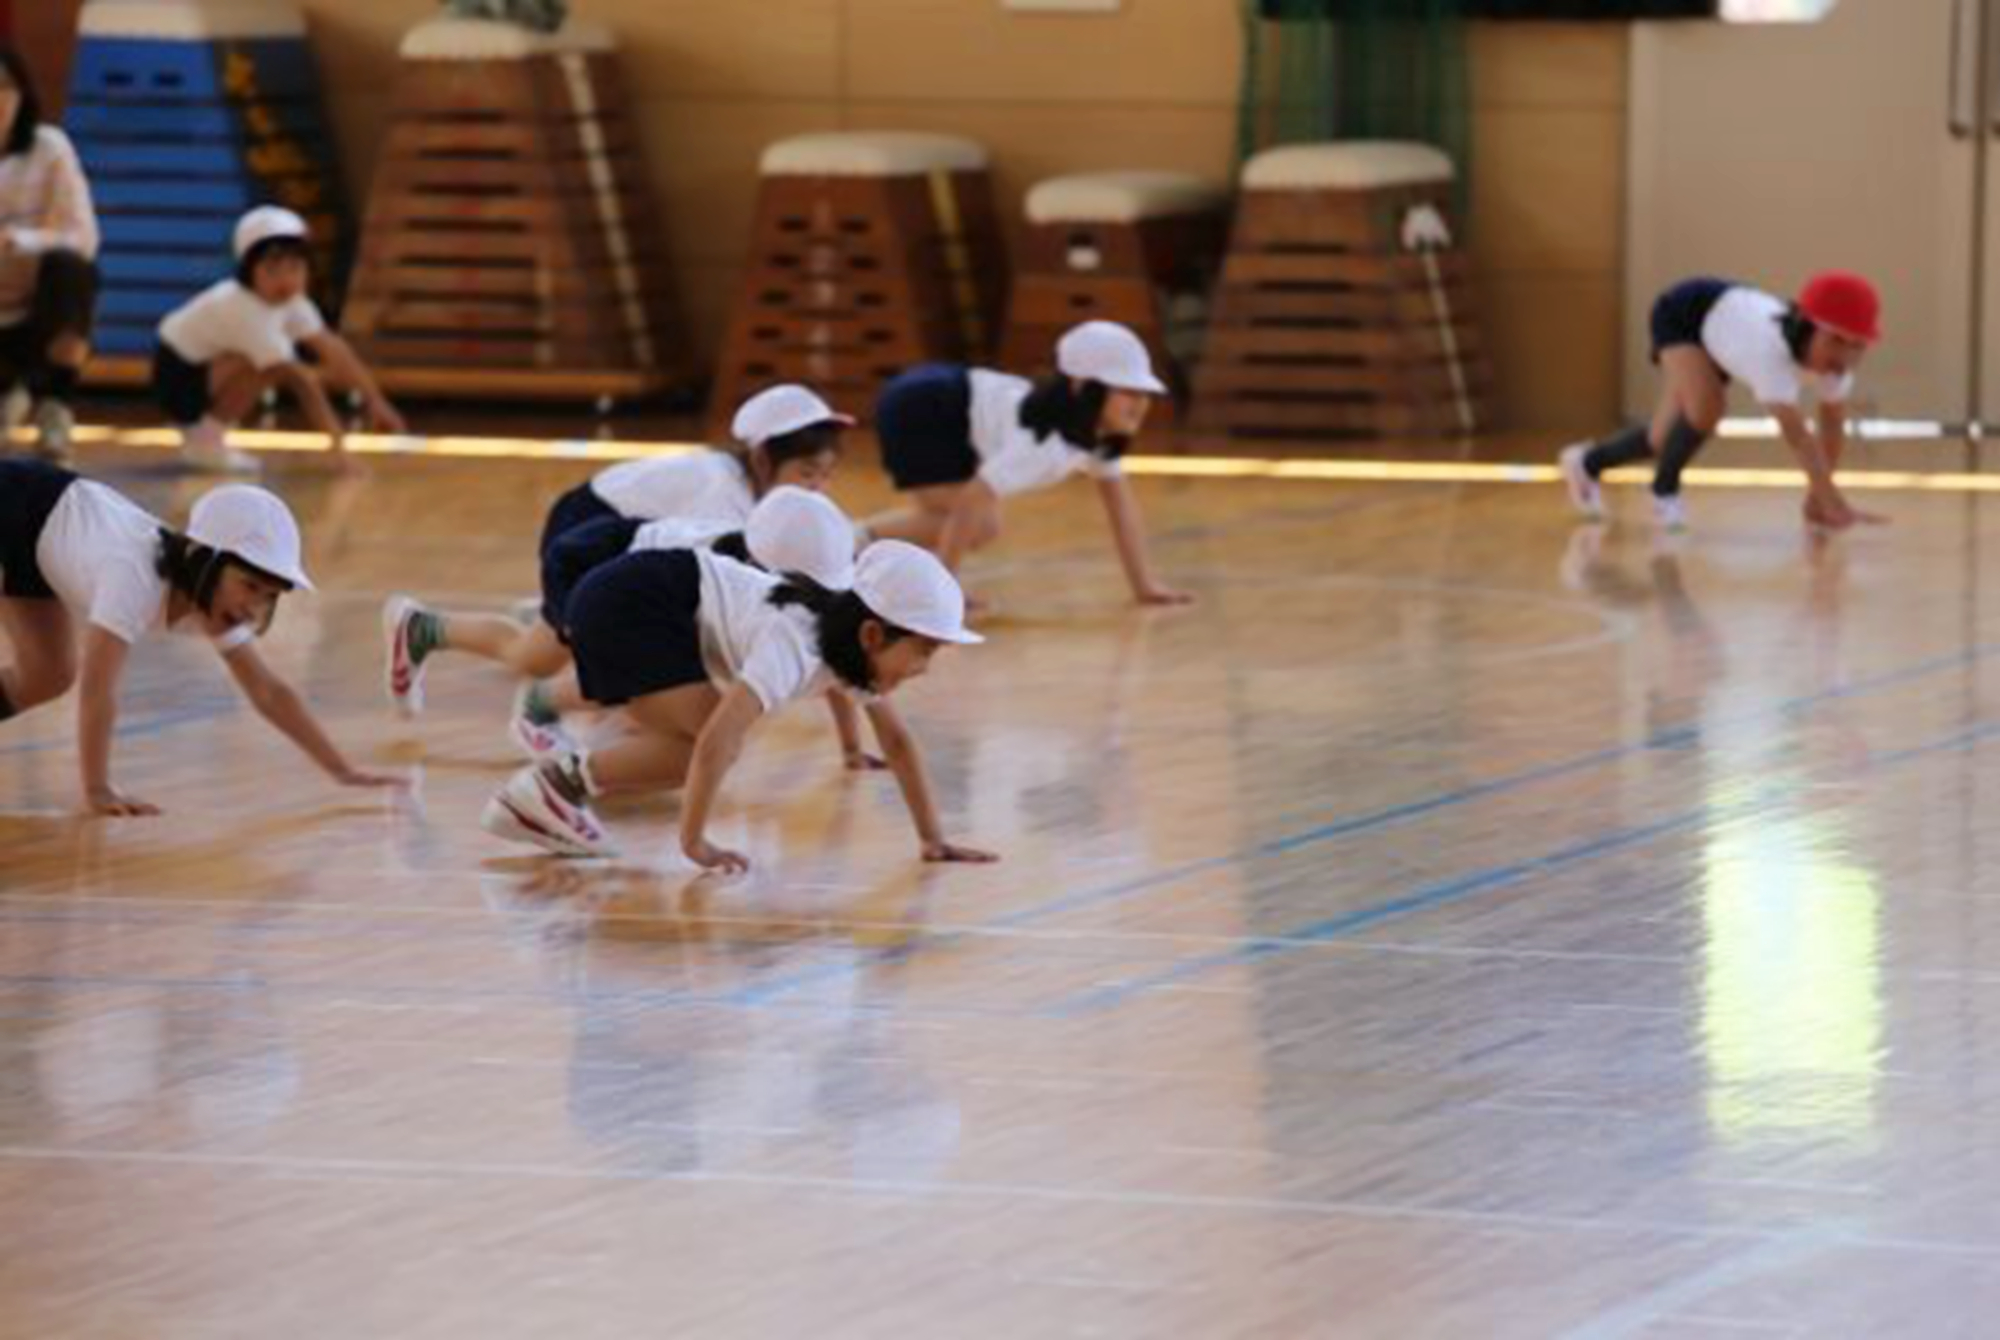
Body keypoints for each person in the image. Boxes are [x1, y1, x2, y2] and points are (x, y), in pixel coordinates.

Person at [481, 539, 995, 873]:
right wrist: (695, 842)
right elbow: (718, 740)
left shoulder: (852, 655)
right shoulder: (796, 645)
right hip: (628, 603)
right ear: (872, 634)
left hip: (639, 602)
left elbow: (897, 742)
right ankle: (546, 789)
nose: (925, 666)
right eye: (925, 650)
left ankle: (554, 785)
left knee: (690, 740)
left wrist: (933, 839)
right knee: (702, 743)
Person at [380, 383, 851, 721]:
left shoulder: (750, 496)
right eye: (808, 473)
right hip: (589, 535)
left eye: (826, 475)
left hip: (619, 539)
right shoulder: (724, 499)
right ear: (763, 459)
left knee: (556, 654)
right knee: (542, 658)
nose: (819, 488)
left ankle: (434, 630)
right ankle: (427, 633)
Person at [0, 460, 398, 813]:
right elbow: (97, 690)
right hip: (14, 500)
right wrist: (97, 788)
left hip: (35, 538)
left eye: (269, 595)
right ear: (203, 559)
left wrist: (342, 770)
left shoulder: (215, 602)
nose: (254, 606)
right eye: (250, 586)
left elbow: (268, 692)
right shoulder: (132, 576)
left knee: (47, 674)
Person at [863, 320, 1191, 606]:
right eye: (1128, 392)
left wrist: (1144, 587)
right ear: (1081, 387)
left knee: (954, 520)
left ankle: (856, 541)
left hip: (945, 398)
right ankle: (854, 542)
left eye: (1144, 393)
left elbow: (1122, 510)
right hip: (924, 406)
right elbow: (970, 501)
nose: (1141, 403)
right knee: (981, 525)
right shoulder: (1043, 445)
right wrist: (945, 597)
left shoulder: (1093, 435)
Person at [1558, 271, 1883, 532]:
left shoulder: (1835, 368)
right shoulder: (1768, 356)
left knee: (1661, 437)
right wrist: (1834, 501)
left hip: (1725, 331)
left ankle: (1585, 463)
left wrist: (1818, 499)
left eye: (1858, 345)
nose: (1845, 356)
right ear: (1805, 327)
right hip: (1686, 313)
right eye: (1835, 340)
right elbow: (1800, 439)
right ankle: (1664, 490)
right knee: (1706, 408)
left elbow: (1831, 428)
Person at [153, 206, 406, 472]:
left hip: (204, 369)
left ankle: (205, 435)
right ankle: (205, 440)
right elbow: (300, 380)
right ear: (248, 270)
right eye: (272, 270)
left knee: (274, 361)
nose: (285, 280)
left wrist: (375, 400)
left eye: (295, 268)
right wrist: (340, 452)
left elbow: (332, 348)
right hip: (177, 378)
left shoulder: (292, 302)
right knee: (271, 365)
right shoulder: (244, 309)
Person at [0, 45, 100, 463]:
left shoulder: (50, 147)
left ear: (22, 93)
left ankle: (55, 405)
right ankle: (10, 392)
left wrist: (18, 240)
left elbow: (83, 236)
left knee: (73, 270)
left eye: (4, 86)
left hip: (39, 304)